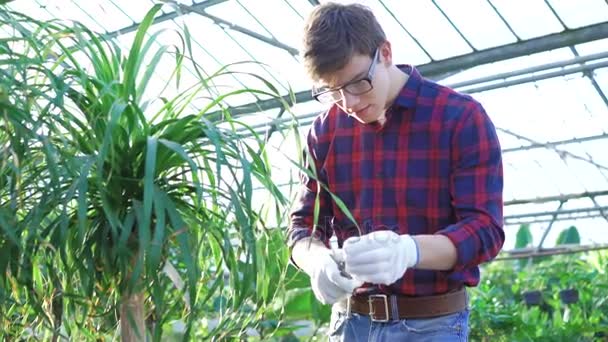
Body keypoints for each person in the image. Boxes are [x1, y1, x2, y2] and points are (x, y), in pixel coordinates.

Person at [287, 2, 504, 341]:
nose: (350, 103)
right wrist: (318, 263)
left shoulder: (459, 118)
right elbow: (302, 228)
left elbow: (485, 231)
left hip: (432, 325)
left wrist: (409, 251)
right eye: (332, 92)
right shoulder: (325, 130)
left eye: (358, 83)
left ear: (385, 53)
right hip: (350, 323)